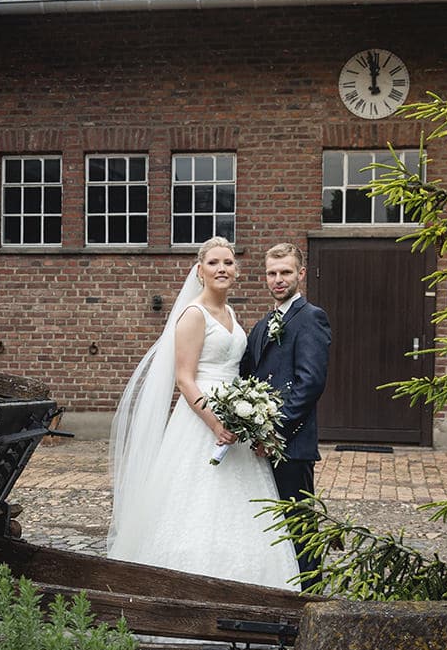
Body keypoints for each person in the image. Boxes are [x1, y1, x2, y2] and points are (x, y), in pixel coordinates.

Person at [108, 237, 301, 590]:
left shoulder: (230, 314)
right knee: (195, 504)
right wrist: (216, 422)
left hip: (235, 416)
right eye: (213, 263)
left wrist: (246, 417)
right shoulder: (193, 315)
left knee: (240, 507)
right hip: (202, 421)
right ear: (200, 271)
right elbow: (184, 378)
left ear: (237, 271)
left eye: (228, 263)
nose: (221, 269)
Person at [240, 243, 331, 586]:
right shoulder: (264, 324)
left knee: (299, 526)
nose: (278, 280)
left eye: (286, 273)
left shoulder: (311, 317)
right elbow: (248, 375)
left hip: (291, 445)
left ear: (301, 274)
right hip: (261, 443)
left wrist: (274, 433)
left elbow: (310, 383)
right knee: (269, 525)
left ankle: (310, 596)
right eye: (272, 273)